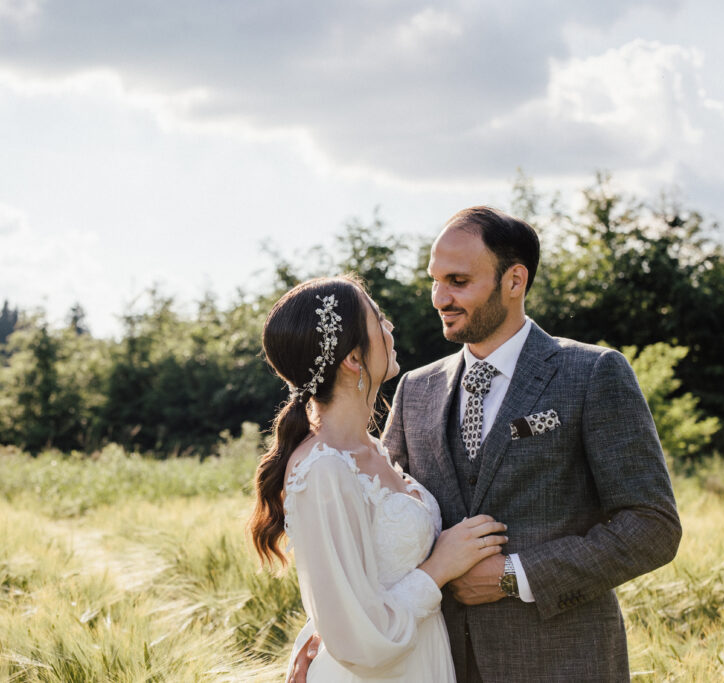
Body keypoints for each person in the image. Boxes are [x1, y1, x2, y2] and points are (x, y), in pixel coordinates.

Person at [292, 207, 682, 682]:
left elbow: (652, 526)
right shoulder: (416, 389)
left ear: (514, 280)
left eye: (458, 280)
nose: (440, 298)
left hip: (563, 663)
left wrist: (514, 575)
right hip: (437, 662)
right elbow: (376, 519)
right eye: (434, 280)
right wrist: (334, 627)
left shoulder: (592, 374)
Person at [249, 275, 509, 682]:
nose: (390, 329)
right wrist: (440, 567)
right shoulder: (323, 470)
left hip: (421, 659)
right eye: (379, 320)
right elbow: (360, 638)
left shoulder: (373, 448)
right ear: (353, 358)